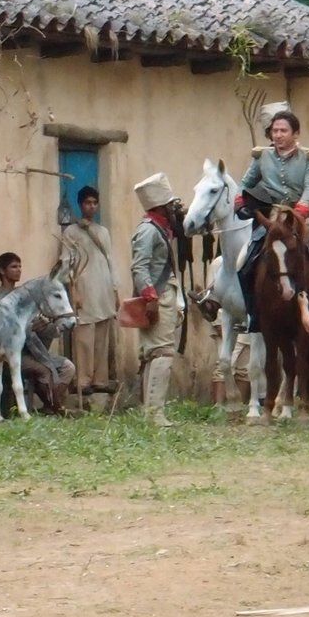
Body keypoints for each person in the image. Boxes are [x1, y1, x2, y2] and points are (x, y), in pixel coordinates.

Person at [236, 109, 309, 332]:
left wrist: (298, 214)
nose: (278, 135)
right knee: (245, 262)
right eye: (275, 131)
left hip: (301, 218)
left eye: (283, 130)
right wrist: (241, 203)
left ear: (295, 133)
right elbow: (246, 184)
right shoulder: (262, 157)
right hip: (271, 219)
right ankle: (254, 314)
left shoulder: (308, 159)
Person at [0, 252, 74, 416]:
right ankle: (57, 408)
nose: (18, 270)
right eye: (14, 267)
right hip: (11, 353)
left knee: (68, 368)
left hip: (34, 350)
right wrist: (30, 328)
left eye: (20, 266)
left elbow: (37, 326)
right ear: (1, 271)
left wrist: (47, 327)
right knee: (44, 371)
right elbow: (2, 328)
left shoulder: (26, 295)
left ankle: (50, 405)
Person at [130, 174, 186, 428]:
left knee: (157, 353)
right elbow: (139, 267)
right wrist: (150, 297)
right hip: (158, 296)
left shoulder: (160, 228)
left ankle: (151, 412)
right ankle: (155, 413)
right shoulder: (147, 231)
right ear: (160, 206)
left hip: (164, 294)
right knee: (161, 353)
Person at [59, 186, 121, 406]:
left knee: (103, 335)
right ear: (80, 205)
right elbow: (66, 263)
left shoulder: (103, 232)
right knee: (84, 336)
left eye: (95, 203)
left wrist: (115, 289)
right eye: (87, 203)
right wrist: (72, 290)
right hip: (84, 287)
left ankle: (100, 379)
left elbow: (110, 261)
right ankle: (83, 380)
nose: (91, 207)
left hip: (103, 287)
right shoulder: (71, 232)